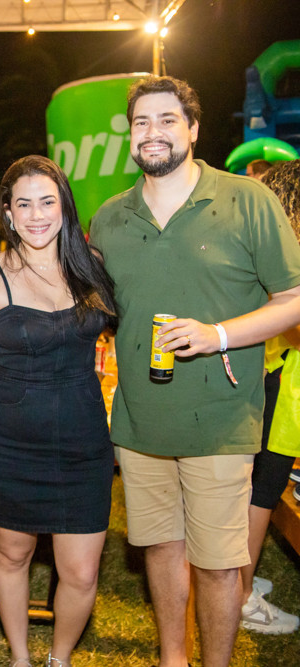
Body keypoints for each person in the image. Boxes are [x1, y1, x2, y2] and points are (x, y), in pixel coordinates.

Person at [89, 76, 300, 667]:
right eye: (141, 122)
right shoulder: (110, 217)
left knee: (216, 564)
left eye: (167, 120)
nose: (152, 132)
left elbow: (293, 298)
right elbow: (89, 305)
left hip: (221, 418)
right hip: (139, 420)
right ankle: (172, 659)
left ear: (194, 129)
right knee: (159, 548)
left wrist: (217, 335)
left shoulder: (246, 200)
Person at [0, 155, 117, 667]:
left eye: (47, 202)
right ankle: (21, 657)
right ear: (7, 212)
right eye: (23, 204)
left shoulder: (91, 267)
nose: (36, 214)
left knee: (81, 572)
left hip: (83, 441)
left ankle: (59, 658)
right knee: (12, 554)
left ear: (64, 206)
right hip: (7, 443)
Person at [238, 159, 300, 635]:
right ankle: (239, 596)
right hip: (281, 384)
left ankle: (239, 579)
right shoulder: (288, 252)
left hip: (272, 374)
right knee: (263, 491)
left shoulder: (268, 244)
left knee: (257, 488)